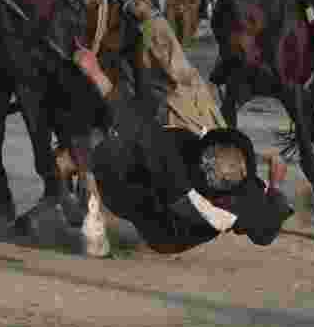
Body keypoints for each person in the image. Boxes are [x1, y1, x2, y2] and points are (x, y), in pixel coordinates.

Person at [70, 41, 294, 251]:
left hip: (155, 225)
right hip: (181, 215)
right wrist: (274, 184)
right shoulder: (243, 194)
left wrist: (96, 73)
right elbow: (264, 229)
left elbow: (134, 125)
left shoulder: (174, 162)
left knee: (111, 149)